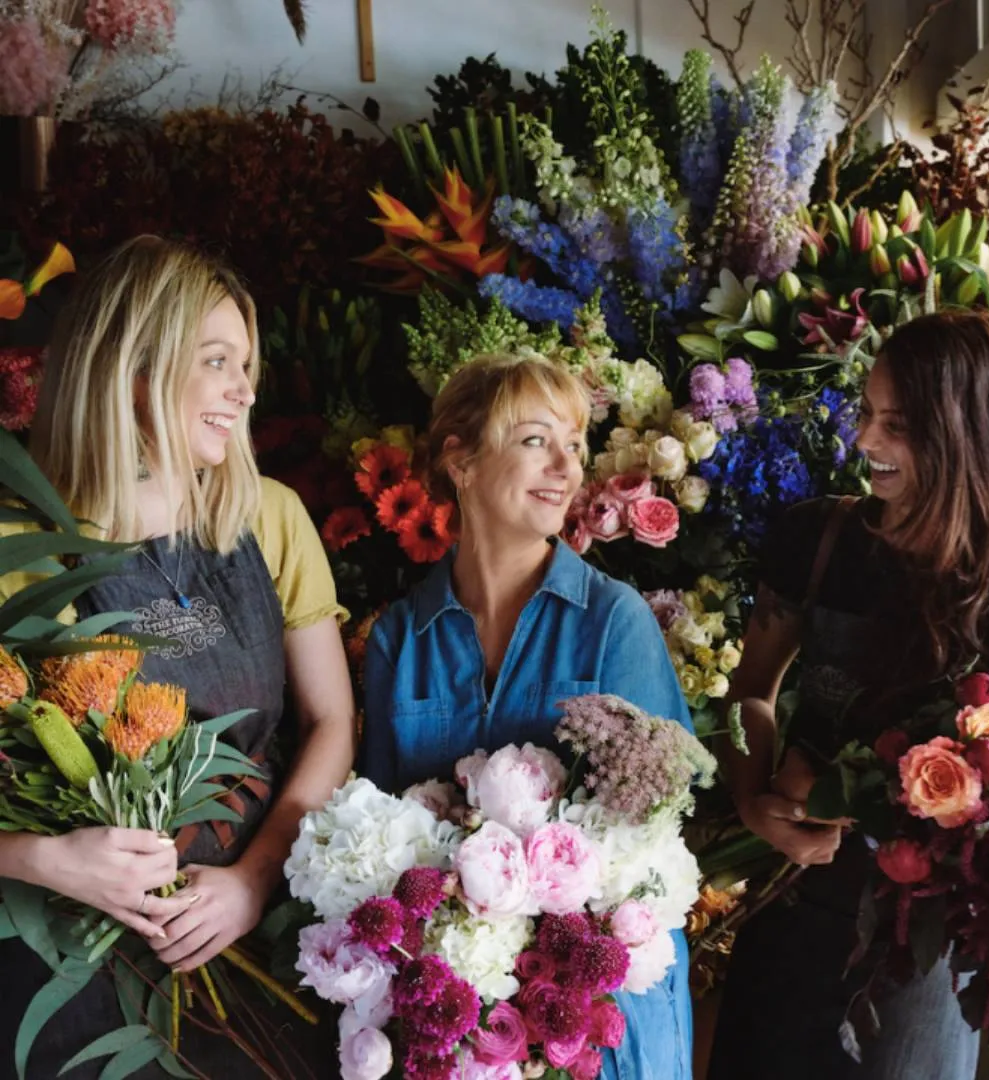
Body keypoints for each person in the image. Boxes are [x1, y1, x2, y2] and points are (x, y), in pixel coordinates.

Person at [0, 236, 356, 1079]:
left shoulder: (268, 518)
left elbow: (334, 722)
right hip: (73, 977)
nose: (245, 388)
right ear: (132, 367)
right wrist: (42, 858)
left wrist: (254, 880)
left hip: (258, 953)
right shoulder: (20, 545)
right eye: (218, 361)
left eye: (247, 364)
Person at [707, 308, 989, 1080]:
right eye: (868, 416)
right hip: (792, 902)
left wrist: (856, 796)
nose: (867, 443)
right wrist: (754, 800)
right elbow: (749, 696)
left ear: (966, 436)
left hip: (924, 944)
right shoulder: (817, 540)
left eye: (898, 425)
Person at [362, 352, 695, 1080]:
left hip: (595, 1019)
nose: (566, 468)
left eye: (574, 446)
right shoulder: (400, 637)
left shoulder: (613, 623)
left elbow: (659, 832)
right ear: (462, 461)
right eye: (536, 440)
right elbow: (377, 833)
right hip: (455, 1019)